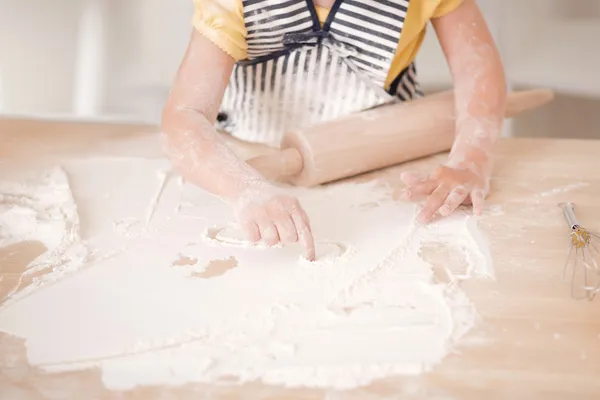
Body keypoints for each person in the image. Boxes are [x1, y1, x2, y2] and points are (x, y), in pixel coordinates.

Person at [161, 0, 507, 261]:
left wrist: (471, 159)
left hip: (389, 160)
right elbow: (185, 116)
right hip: (248, 159)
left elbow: (477, 71)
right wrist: (244, 189)